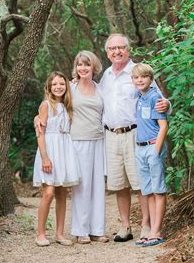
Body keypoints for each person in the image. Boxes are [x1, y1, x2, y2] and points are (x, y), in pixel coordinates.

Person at [100, 33, 169, 242]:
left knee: (140, 183)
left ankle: (146, 226)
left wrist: (168, 105)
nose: (117, 52)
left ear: (128, 49)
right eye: (112, 49)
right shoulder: (106, 75)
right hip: (111, 135)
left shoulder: (138, 72)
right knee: (119, 184)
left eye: (121, 47)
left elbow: (159, 100)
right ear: (107, 52)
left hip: (135, 133)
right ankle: (125, 226)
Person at [33, 71, 81, 247]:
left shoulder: (68, 105)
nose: (58, 87)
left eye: (62, 83)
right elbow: (40, 133)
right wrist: (45, 158)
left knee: (62, 193)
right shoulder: (46, 105)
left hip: (65, 149)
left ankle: (60, 234)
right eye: (54, 84)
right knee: (49, 193)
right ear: (49, 87)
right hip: (49, 150)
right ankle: (40, 234)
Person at [69, 51, 109, 244]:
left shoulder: (100, 88)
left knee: (98, 186)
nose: (83, 68)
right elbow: (51, 103)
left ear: (94, 67)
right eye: (79, 65)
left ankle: (97, 229)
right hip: (78, 141)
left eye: (86, 65)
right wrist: (39, 117)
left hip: (99, 140)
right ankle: (81, 230)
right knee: (82, 186)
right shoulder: (70, 88)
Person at [131, 63, 168, 246]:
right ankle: (152, 229)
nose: (139, 80)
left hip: (153, 147)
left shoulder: (155, 98)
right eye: (136, 77)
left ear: (151, 79)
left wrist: (156, 151)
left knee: (158, 190)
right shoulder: (139, 96)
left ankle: (157, 231)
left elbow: (163, 126)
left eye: (144, 77)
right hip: (140, 148)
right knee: (149, 192)